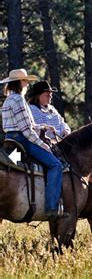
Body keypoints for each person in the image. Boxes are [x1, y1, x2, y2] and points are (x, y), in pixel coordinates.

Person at [1, 69, 67, 219]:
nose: (27, 84)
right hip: (23, 140)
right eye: (25, 81)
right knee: (55, 164)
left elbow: (19, 125)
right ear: (20, 83)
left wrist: (42, 127)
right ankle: (52, 207)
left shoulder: (8, 100)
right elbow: (26, 130)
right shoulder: (18, 100)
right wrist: (43, 146)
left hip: (10, 140)